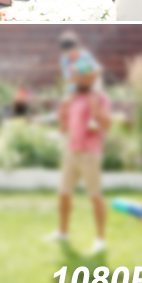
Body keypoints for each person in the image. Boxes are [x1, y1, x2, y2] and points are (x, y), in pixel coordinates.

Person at [45, 61, 112, 254]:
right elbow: (64, 123)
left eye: (76, 76)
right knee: (64, 193)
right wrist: (62, 111)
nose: (73, 79)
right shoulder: (73, 98)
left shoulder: (100, 98)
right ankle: (63, 232)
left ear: (87, 77)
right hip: (71, 152)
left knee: (95, 196)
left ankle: (100, 240)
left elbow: (107, 124)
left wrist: (94, 106)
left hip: (90, 154)